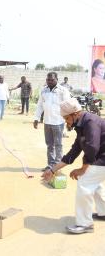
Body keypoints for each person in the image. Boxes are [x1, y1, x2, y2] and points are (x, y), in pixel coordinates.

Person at [42, 98, 105, 234]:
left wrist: (83, 169)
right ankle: (103, 212)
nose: (66, 122)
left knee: (85, 183)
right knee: (94, 182)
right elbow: (74, 150)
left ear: (75, 114)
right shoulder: (81, 125)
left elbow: (92, 147)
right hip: (100, 158)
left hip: (102, 159)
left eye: (66, 118)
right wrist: (53, 170)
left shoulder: (90, 122)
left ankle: (85, 224)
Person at [33, 72, 70, 171]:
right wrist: (36, 118)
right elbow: (40, 105)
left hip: (58, 122)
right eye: (48, 80)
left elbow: (67, 106)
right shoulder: (43, 90)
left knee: (58, 144)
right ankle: (50, 165)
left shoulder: (63, 91)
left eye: (52, 80)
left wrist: (69, 122)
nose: (49, 81)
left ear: (57, 79)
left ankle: (57, 166)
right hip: (47, 122)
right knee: (49, 145)